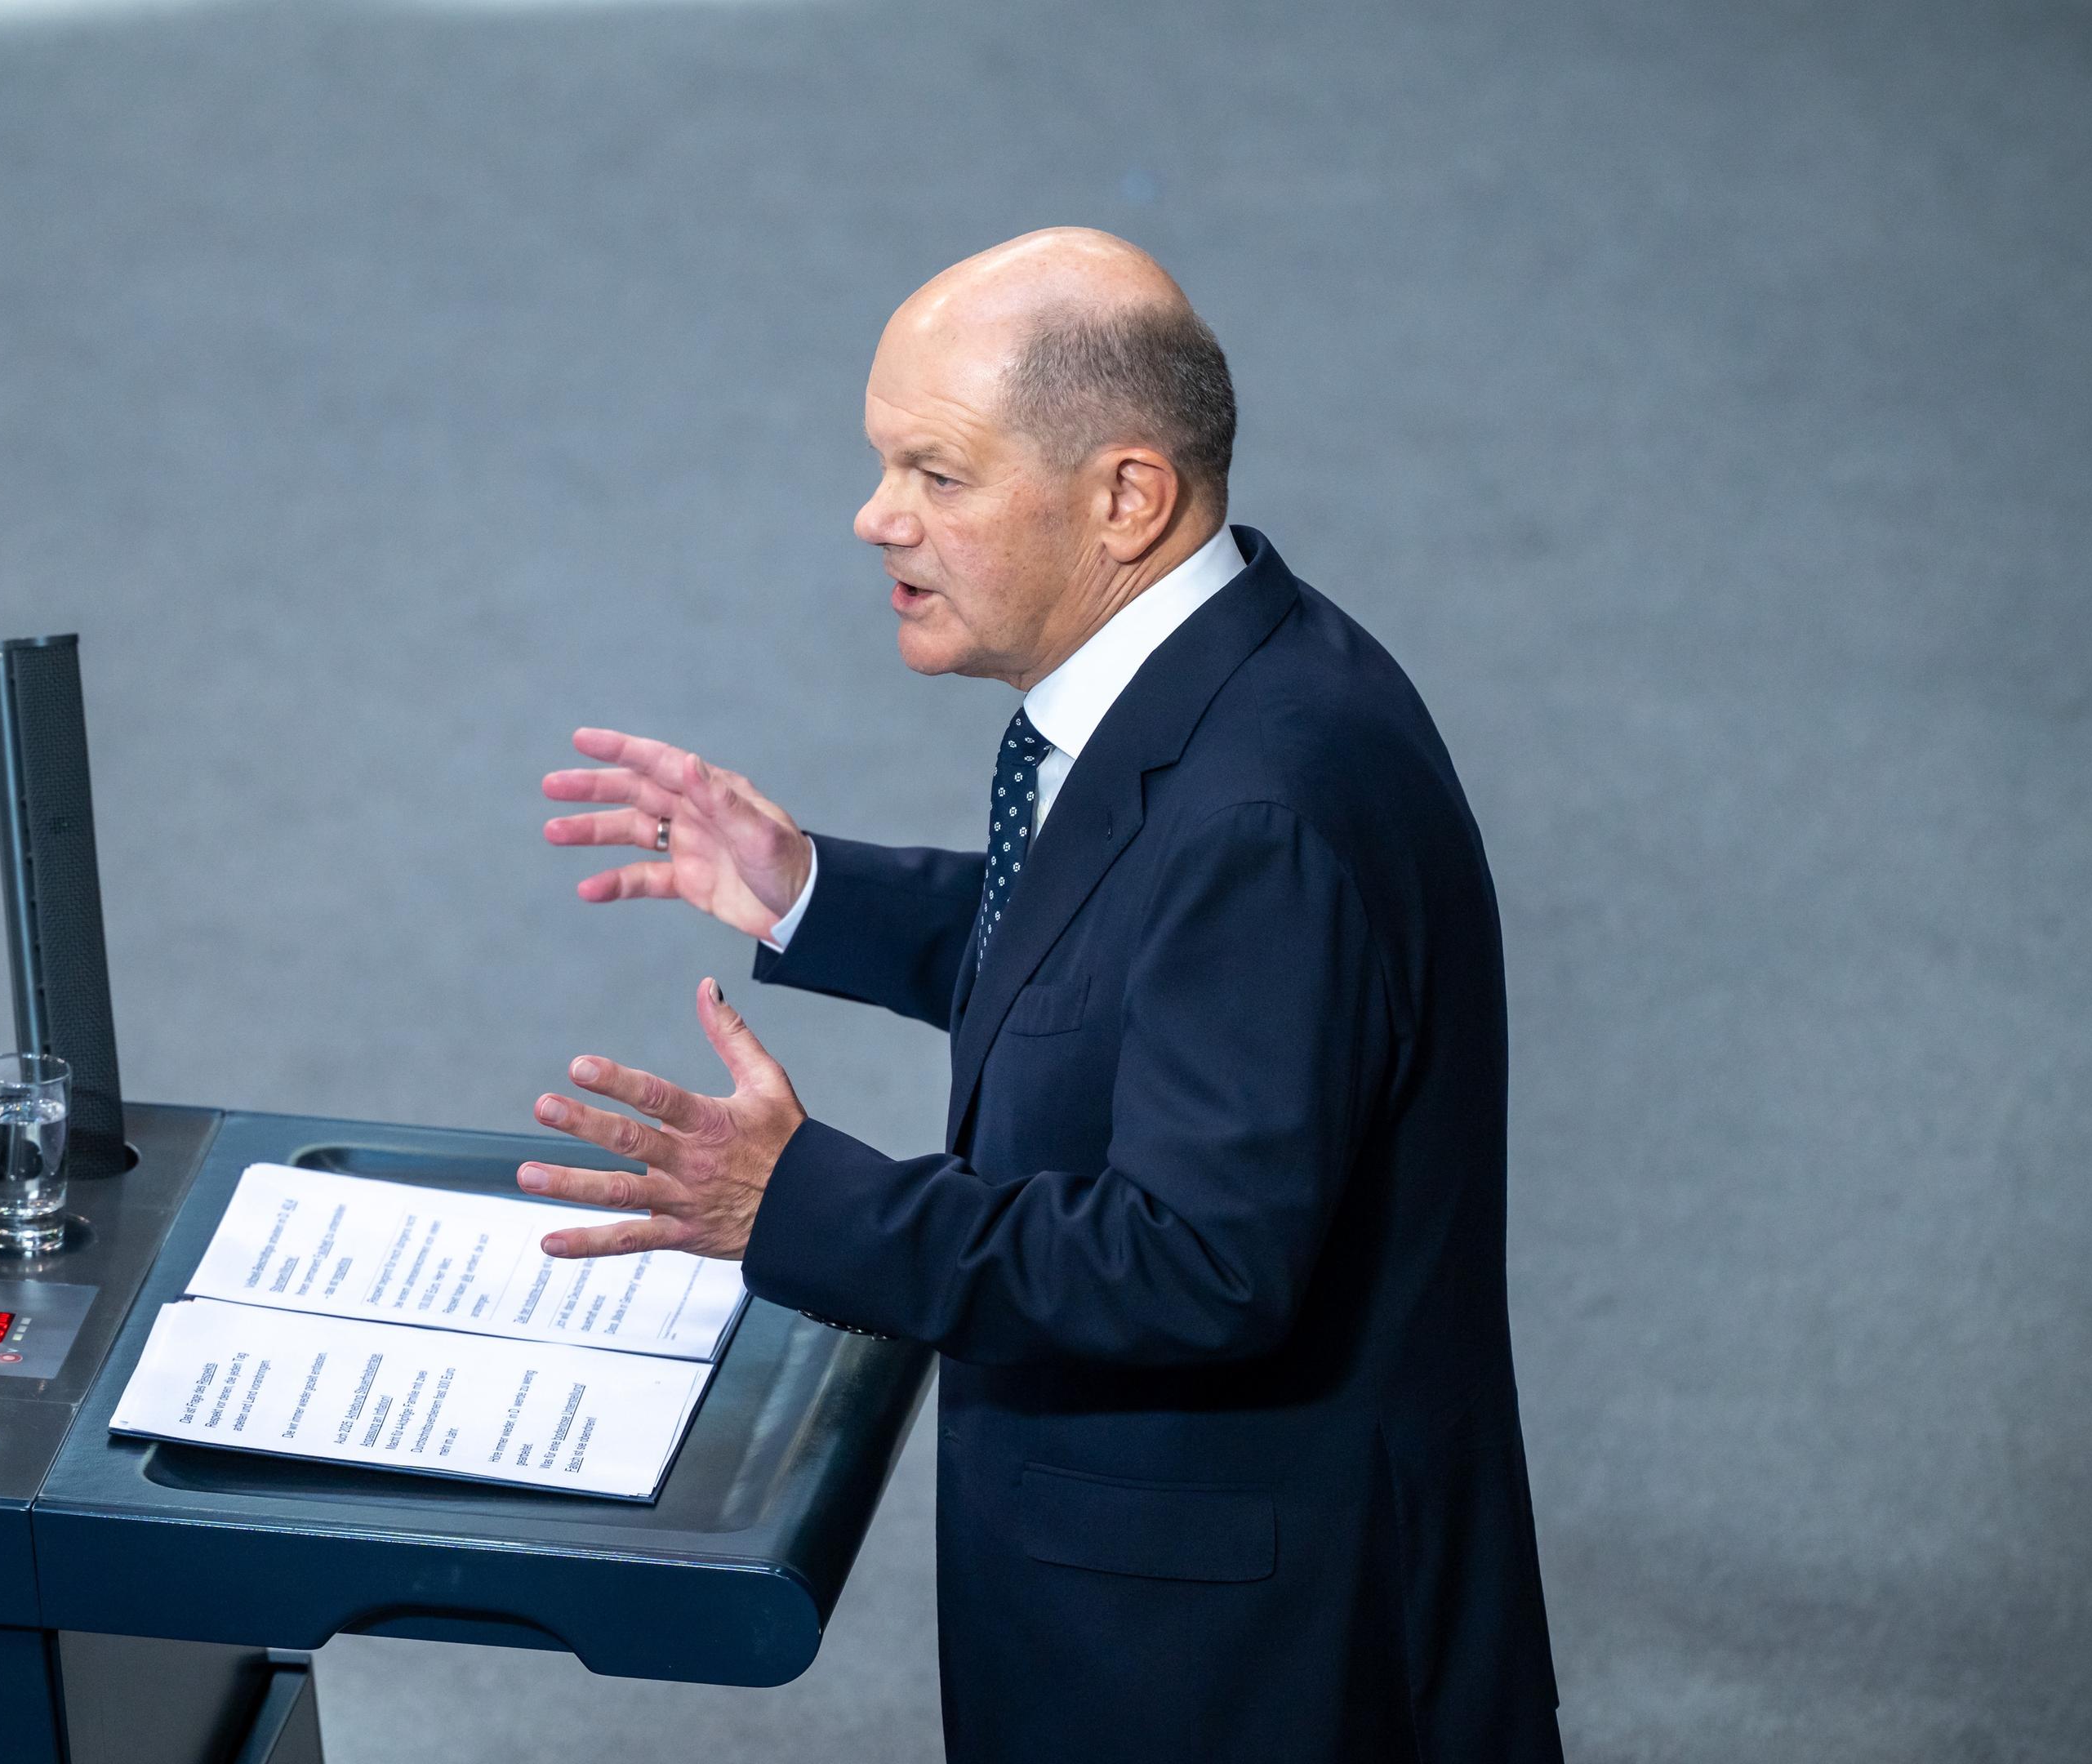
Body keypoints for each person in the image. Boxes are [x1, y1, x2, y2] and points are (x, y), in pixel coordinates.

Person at [518, 229, 1565, 1762]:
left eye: (936, 475)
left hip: (1240, 1675)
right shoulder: (1237, 676)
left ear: (1127, 497)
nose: (876, 517)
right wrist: (813, 888)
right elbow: (1129, 966)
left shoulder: (1265, 808)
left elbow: (1198, 1261)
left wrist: (799, 1204)